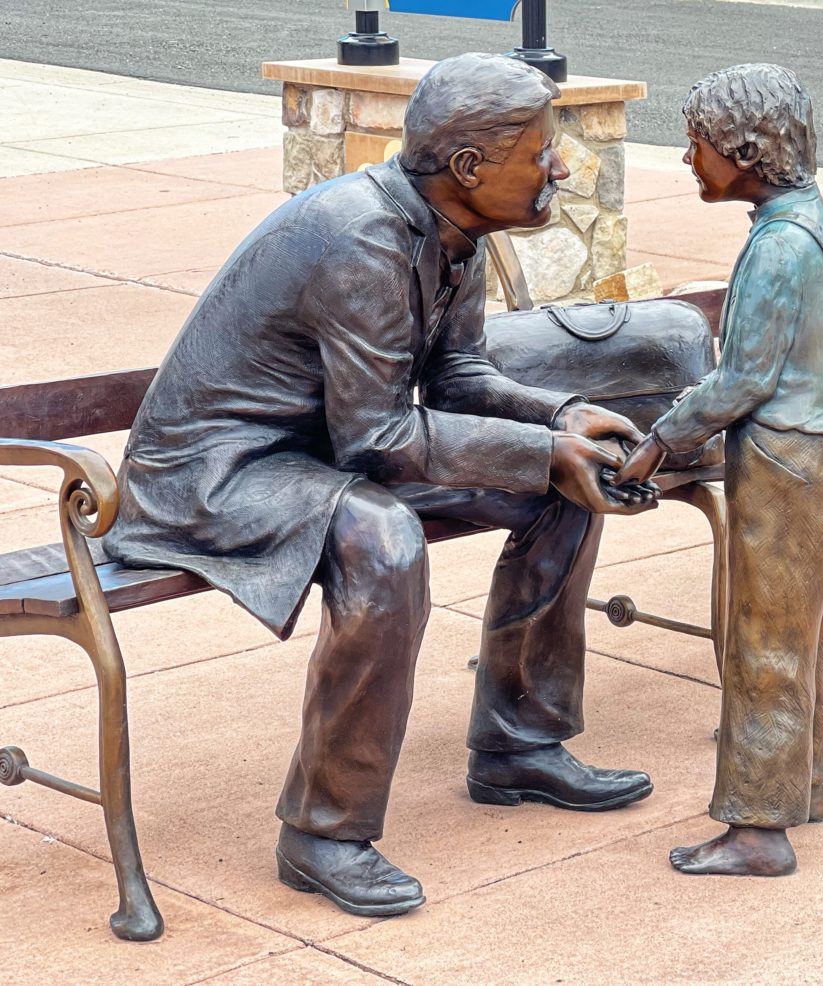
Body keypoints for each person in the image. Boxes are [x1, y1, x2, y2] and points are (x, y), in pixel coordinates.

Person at [105, 53, 656, 917]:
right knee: (382, 538)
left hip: (319, 450)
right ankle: (323, 832)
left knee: (559, 490)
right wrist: (540, 448)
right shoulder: (360, 236)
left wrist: (561, 419)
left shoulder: (454, 227)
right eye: (544, 151)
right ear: (471, 168)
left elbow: (460, 376)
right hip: (214, 473)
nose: (561, 167)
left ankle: (519, 744)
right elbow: (379, 437)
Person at [615, 63, 823, 876]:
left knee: (762, 648)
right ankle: (803, 786)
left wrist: (660, 440)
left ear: (746, 150)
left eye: (698, 146)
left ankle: (758, 829)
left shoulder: (778, 245)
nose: (689, 162)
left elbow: (742, 379)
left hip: (785, 470)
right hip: (819, 464)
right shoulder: (809, 217)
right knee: (799, 636)